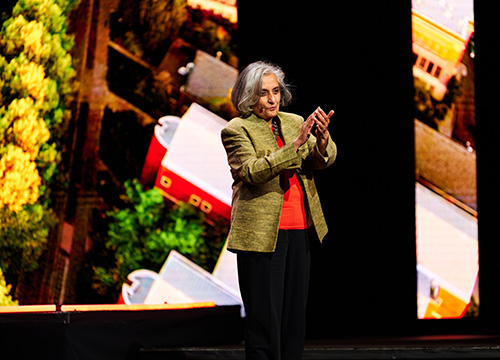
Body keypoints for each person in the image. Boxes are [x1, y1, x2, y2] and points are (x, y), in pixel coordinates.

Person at [221, 60, 337, 360]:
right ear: (248, 96)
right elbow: (250, 171)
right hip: (261, 236)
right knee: (264, 323)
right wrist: (293, 147)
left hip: (298, 229)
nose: (272, 99)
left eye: (275, 91)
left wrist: (322, 140)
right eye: (263, 93)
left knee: (293, 320)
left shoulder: (294, 121)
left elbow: (320, 160)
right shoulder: (236, 129)